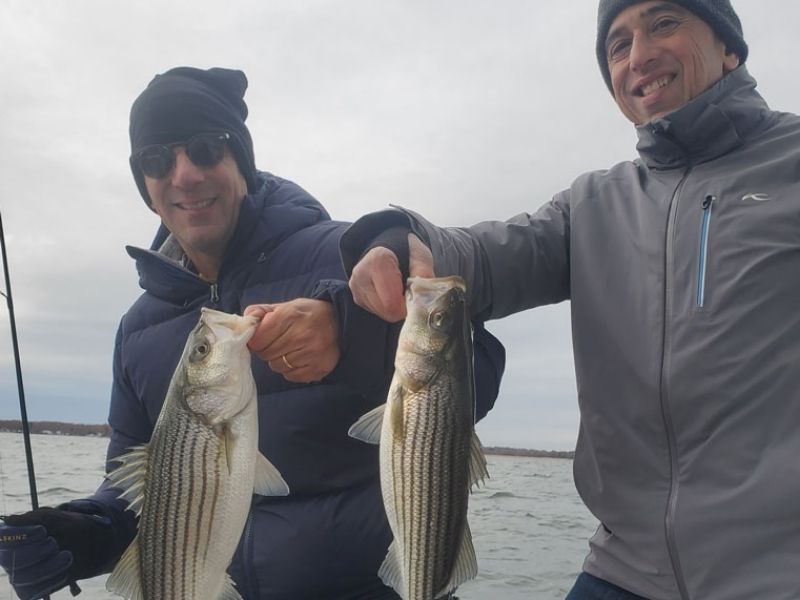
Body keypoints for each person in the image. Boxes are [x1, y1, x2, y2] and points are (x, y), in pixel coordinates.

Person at [341, 1, 800, 599]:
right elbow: (479, 256)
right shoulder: (591, 206)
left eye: (665, 24)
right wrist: (392, 239)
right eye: (617, 44)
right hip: (625, 569)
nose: (639, 56)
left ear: (729, 47)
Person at [0, 67, 506, 600]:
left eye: (204, 148)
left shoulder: (346, 255)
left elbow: (476, 375)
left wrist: (349, 332)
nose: (184, 175)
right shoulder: (138, 329)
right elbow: (142, 488)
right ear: (145, 187)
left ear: (241, 160)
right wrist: (86, 532)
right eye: (156, 160)